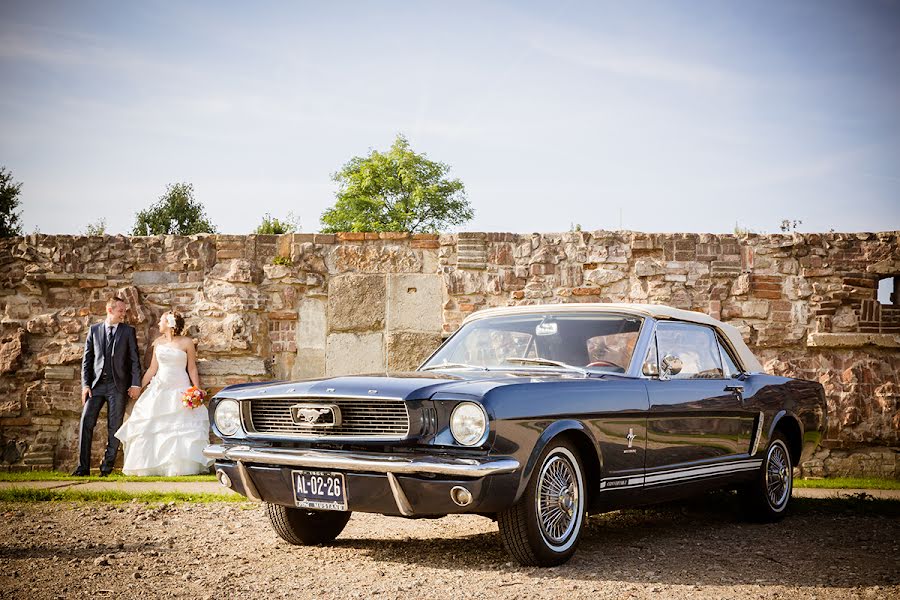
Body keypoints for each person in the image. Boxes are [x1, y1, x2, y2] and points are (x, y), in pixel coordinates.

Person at [114, 311, 211, 476]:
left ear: (170, 323)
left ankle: (179, 466)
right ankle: (149, 465)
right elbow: (152, 369)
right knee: (150, 425)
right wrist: (139, 386)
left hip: (180, 387)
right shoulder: (158, 343)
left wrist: (196, 388)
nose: (159, 323)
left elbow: (192, 368)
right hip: (159, 387)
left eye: (161, 321)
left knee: (180, 427)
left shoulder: (187, 342)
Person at [74, 296, 142, 476]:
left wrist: (136, 384)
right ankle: (83, 468)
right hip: (95, 386)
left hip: (117, 386)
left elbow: (134, 360)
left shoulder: (128, 331)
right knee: (86, 423)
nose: (124, 314)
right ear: (110, 310)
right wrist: (85, 385)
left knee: (114, 427)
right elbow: (87, 361)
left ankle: (106, 468)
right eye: (121, 311)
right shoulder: (94, 330)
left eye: (125, 311)